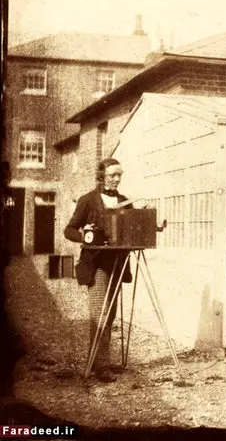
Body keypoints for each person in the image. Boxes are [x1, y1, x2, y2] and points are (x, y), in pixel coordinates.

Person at [64, 158, 133, 382]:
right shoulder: (88, 200)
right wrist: (85, 236)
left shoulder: (124, 202)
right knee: (99, 314)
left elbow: (133, 228)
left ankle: (96, 361)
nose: (116, 179)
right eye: (112, 175)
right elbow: (69, 230)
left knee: (109, 314)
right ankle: (102, 367)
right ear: (101, 176)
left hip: (117, 264)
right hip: (96, 264)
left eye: (119, 175)